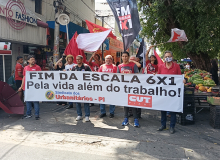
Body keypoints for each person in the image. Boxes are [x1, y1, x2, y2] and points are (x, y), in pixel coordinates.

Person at [156, 51, 185, 134]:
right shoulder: (161, 66)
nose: (167, 57)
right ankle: (163, 125)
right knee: (163, 110)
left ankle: (172, 126)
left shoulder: (176, 66)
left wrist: (183, 80)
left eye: (169, 56)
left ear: (172, 57)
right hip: (164, 91)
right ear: (164, 58)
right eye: (166, 56)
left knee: (173, 110)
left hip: (173, 92)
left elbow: (179, 77)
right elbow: (158, 78)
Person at [117, 51, 140, 127]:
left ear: (128, 57)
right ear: (121, 57)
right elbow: (117, 77)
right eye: (123, 56)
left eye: (126, 56)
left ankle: (135, 119)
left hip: (132, 87)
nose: (124, 58)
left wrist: (132, 75)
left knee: (133, 103)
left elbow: (137, 75)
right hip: (123, 88)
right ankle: (125, 118)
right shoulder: (119, 66)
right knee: (125, 103)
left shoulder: (133, 65)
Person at [18, 55, 41, 120]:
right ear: (28, 61)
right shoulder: (25, 68)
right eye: (31, 59)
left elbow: (40, 77)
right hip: (26, 87)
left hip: (35, 87)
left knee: (35, 101)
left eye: (34, 59)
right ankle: (28, 114)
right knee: (28, 101)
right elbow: (24, 78)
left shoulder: (37, 67)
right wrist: (21, 87)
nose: (33, 61)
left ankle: (37, 115)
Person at [72, 55, 92, 122]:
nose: (78, 61)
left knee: (86, 101)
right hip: (77, 87)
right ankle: (79, 115)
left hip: (85, 87)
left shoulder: (86, 67)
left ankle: (87, 116)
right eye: (77, 59)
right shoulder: (74, 67)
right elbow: (71, 76)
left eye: (79, 59)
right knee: (77, 102)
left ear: (82, 59)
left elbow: (91, 75)